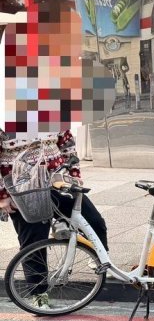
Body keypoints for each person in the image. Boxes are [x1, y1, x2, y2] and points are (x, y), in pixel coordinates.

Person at [1, 130, 109, 309]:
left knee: (95, 222)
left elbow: (67, 146)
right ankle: (39, 294)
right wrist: (2, 196)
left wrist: (74, 175)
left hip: (57, 183)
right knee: (33, 243)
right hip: (22, 188)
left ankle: (101, 258)